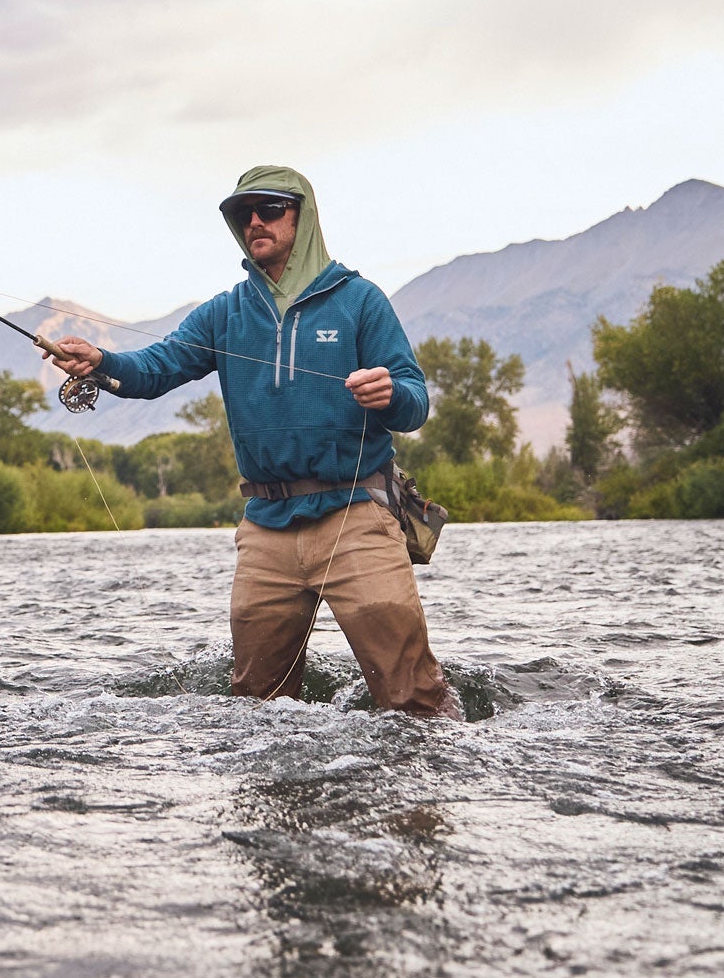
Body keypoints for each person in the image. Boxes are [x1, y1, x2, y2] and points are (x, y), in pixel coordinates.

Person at [48, 165, 456, 719]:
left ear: (303, 216)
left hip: (358, 514)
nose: (254, 221)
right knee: (256, 708)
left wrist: (389, 393)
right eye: (243, 214)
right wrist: (101, 364)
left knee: (413, 699)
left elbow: (415, 401)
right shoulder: (225, 312)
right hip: (265, 526)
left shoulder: (360, 301)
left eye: (269, 209)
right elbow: (156, 367)